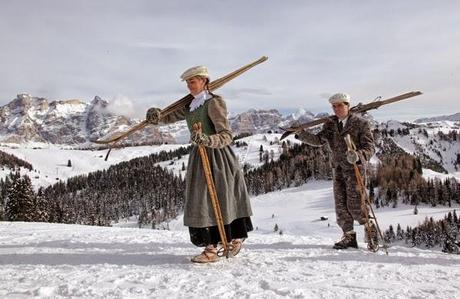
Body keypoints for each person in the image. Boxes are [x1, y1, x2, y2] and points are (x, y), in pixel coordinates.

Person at [145, 65, 253, 262]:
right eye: (187, 82)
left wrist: (207, 139)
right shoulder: (189, 106)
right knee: (201, 201)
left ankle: (232, 240)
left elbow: (227, 135)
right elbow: (168, 117)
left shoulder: (214, 102)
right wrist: (156, 118)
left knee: (222, 198)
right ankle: (211, 247)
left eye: (192, 81)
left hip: (218, 158)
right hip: (199, 156)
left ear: (204, 81)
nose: (189, 86)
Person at [295, 93, 376, 249]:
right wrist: (300, 134)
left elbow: (370, 147)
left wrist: (358, 155)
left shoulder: (361, 124)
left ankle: (370, 230)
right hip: (337, 169)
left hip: (354, 169)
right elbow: (319, 141)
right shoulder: (331, 124)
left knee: (356, 205)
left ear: (348, 106)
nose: (337, 108)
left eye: (340, 105)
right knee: (340, 206)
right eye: (334, 106)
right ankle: (349, 237)